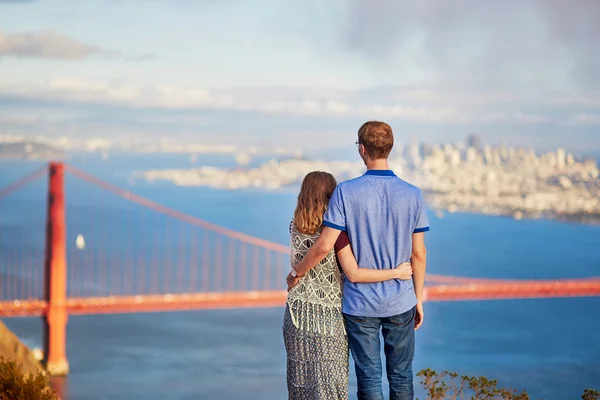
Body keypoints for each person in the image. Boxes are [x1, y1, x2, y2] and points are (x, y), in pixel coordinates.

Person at [288, 121, 430, 400]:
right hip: (401, 299)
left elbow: (325, 244)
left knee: (369, 378)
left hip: (360, 304)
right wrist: (419, 298)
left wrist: (297, 273)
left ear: (362, 150)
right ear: (389, 148)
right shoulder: (413, 194)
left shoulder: (346, 192)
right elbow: (419, 254)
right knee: (401, 376)